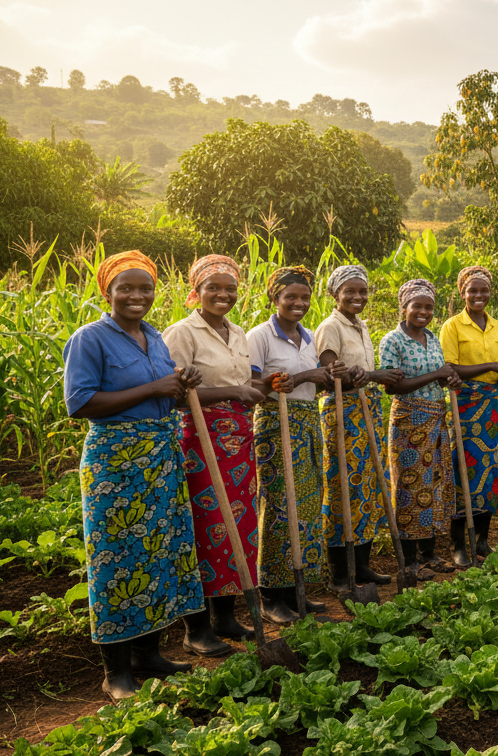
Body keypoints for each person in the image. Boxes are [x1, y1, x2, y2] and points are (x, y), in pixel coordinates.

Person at [63, 251, 204, 699]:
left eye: (145, 288)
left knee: (159, 551)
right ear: (108, 292)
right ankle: (116, 672)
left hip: (161, 456)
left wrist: (182, 382)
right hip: (115, 461)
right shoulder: (90, 339)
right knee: (117, 557)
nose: (136, 296)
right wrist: (154, 387)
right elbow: (80, 404)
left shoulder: (156, 339)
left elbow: (168, 393)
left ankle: (149, 655)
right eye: (126, 287)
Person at [164, 255, 266, 646]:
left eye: (230, 289)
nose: (223, 295)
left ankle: (225, 618)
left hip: (240, 440)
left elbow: (246, 382)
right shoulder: (182, 333)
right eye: (214, 288)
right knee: (205, 529)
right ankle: (197, 630)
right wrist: (232, 391)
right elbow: (173, 393)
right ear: (197, 291)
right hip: (201, 442)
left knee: (237, 528)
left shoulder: (238, 333)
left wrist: (262, 385)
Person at [247, 267, 343, 624]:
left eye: (304, 297)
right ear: (275, 298)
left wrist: (327, 378)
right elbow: (254, 386)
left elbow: (313, 384)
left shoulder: (309, 337)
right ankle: (271, 596)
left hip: (307, 422)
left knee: (303, 507)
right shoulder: (260, 336)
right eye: (291, 297)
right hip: (275, 424)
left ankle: (295, 590)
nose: (299, 303)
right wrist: (305, 376)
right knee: (277, 507)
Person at [315, 265, 403, 591]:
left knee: (367, 487)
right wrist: (379, 376)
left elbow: (361, 371)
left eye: (362, 291)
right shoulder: (330, 327)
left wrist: (371, 377)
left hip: (367, 409)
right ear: (335, 294)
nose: (357, 297)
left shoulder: (361, 326)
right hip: (342, 411)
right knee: (343, 488)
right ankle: (340, 573)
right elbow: (332, 373)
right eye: (350, 291)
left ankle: (362, 566)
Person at [379, 279, 462, 578]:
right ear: (404, 308)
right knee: (409, 487)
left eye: (429, 307)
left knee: (433, 486)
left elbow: (438, 374)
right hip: (408, 421)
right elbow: (393, 387)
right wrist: (437, 375)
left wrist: (448, 379)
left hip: (436, 420)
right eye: (418, 306)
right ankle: (410, 560)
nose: (424, 312)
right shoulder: (393, 340)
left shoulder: (432, 338)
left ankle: (429, 555)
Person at [440, 265, 498, 567]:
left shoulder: (497, 327)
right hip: (464, 405)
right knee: (464, 470)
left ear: (490, 293)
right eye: (472, 290)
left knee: (492, 470)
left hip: (492, 407)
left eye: (483, 290)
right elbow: (451, 369)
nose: (478, 295)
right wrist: (493, 367)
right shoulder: (452, 326)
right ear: (462, 293)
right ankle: (459, 544)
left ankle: (483, 540)